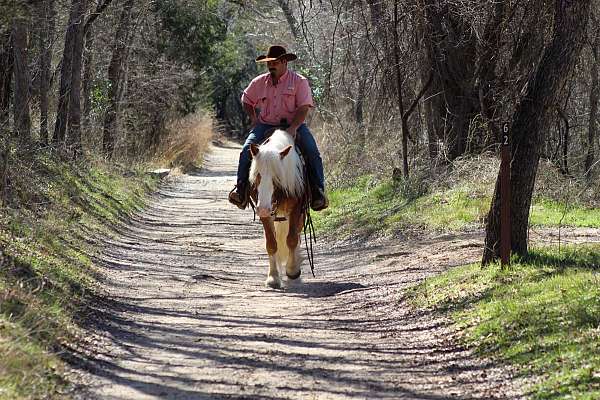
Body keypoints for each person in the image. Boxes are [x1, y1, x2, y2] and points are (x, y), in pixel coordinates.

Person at [228, 45, 328, 212]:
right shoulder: (259, 82)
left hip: (292, 125)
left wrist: (294, 127)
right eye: (268, 63)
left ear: (284, 62)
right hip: (265, 125)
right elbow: (246, 99)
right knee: (246, 150)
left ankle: (318, 192)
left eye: (274, 62)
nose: (270, 66)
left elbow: (304, 107)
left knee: (311, 151)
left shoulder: (299, 82)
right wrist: (254, 118)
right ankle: (241, 190)